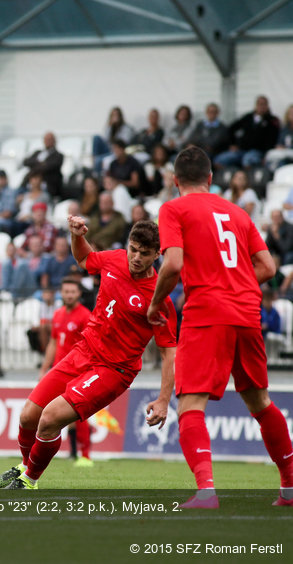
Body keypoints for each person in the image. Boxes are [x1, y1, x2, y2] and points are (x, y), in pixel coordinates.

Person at [147, 145, 293, 508]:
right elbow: (269, 268)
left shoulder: (172, 208)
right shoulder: (237, 213)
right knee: (260, 402)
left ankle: (206, 491)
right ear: (211, 179)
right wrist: (237, 284)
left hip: (207, 312)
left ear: (175, 180)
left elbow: (173, 264)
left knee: (191, 402)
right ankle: (290, 489)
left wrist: (154, 304)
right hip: (246, 312)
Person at [0, 217, 177, 490]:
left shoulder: (159, 297)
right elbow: (84, 259)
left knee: (50, 418)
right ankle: (25, 465)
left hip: (114, 369)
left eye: (144, 253)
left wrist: (163, 400)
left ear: (157, 255)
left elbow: (168, 354)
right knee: (28, 416)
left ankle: (28, 481)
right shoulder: (114, 259)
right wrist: (76, 235)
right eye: (133, 249)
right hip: (83, 351)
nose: (136, 257)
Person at [37, 278, 93, 465]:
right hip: (59, 371)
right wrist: (45, 368)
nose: (69, 295)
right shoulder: (58, 314)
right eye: (66, 291)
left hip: (78, 370)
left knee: (76, 412)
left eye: (72, 292)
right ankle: (73, 453)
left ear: (78, 294)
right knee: (56, 413)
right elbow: (53, 342)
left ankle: (85, 455)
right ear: (62, 293)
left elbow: (90, 344)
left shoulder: (85, 316)